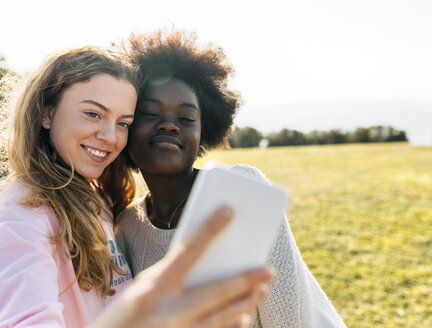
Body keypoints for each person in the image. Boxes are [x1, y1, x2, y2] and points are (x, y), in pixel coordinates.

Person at [0, 46, 274, 327]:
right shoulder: (18, 220)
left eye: (123, 122)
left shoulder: (98, 202)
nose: (110, 137)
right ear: (46, 113)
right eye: (93, 114)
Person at [114, 30, 347, 327]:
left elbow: (291, 318)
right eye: (150, 113)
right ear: (126, 127)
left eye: (186, 119)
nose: (170, 126)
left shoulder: (242, 190)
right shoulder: (126, 227)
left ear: (203, 136)